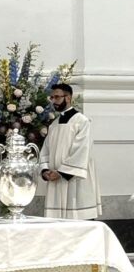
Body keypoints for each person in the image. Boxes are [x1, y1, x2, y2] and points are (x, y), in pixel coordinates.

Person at [39, 83, 101, 219]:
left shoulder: (82, 121)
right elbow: (45, 150)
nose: (53, 101)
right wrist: (45, 170)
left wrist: (62, 173)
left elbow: (82, 150)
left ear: (68, 98)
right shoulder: (54, 124)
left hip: (75, 181)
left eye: (57, 97)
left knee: (79, 223)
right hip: (55, 180)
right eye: (52, 98)